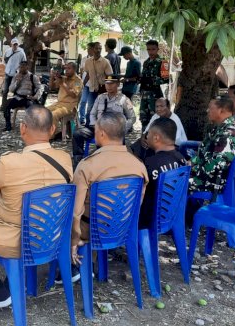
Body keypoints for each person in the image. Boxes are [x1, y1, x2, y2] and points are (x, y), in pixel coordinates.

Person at [0, 106, 72, 310]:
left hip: (14, 240)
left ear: (22, 128)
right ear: (53, 129)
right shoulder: (65, 159)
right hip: (52, 237)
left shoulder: (9, 162)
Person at [71, 113, 148, 259]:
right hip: (122, 228)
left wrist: (74, 239)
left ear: (101, 133)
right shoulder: (139, 166)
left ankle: (71, 267)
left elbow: (76, 212)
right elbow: (138, 204)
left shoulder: (87, 166)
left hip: (91, 230)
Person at [72, 75, 136, 169]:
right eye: (107, 83)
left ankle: (110, 166)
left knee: (109, 143)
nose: (109, 86)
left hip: (114, 133)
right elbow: (92, 114)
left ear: (118, 84)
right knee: (78, 134)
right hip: (98, 128)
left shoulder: (124, 100)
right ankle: (78, 162)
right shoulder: (100, 98)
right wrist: (95, 125)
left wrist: (121, 129)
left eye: (112, 83)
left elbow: (132, 118)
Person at [138, 118, 187, 229]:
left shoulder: (150, 163)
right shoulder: (182, 160)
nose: (146, 137)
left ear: (156, 137)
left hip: (150, 218)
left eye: (148, 133)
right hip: (172, 213)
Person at [189, 96, 235, 195]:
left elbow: (214, 168)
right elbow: (204, 154)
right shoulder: (219, 129)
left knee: (171, 183)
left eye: (210, 108)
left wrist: (190, 170)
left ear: (221, 111)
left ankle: (181, 209)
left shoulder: (227, 135)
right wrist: (190, 163)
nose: (207, 110)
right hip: (205, 176)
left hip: (211, 183)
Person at [3, 60, 43, 131]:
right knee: (6, 105)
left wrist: (35, 97)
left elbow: (40, 87)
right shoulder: (16, 76)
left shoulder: (32, 77)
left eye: (23, 67)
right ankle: (8, 125)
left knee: (31, 108)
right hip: (17, 97)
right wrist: (17, 82)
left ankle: (31, 127)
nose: (21, 69)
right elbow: (11, 89)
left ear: (27, 67)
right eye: (20, 67)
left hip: (27, 98)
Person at [81, 42, 114, 125]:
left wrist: (109, 87)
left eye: (100, 48)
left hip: (103, 89)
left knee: (102, 108)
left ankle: (102, 126)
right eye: (96, 48)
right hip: (92, 89)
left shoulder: (105, 61)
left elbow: (109, 75)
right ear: (93, 49)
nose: (98, 50)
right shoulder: (88, 61)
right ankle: (88, 126)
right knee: (90, 108)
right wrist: (83, 84)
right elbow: (88, 74)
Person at [139, 40, 169, 131]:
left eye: (153, 49)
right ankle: (144, 139)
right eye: (148, 49)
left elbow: (166, 79)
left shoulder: (163, 62)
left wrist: (153, 80)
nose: (151, 52)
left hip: (155, 95)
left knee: (156, 118)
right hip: (144, 95)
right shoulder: (146, 62)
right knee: (144, 118)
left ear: (157, 49)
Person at [46, 62, 83, 132]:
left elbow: (73, 94)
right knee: (43, 111)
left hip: (70, 106)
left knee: (53, 115)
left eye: (69, 68)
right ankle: (44, 132)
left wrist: (62, 83)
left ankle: (51, 136)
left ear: (74, 69)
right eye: (66, 68)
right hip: (59, 104)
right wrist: (52, 76)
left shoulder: (78, 80)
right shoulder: (64, 78)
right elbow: (52, 87)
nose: (66, 70)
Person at [1, 38, 27, 110]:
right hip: (8, 73)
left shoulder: (21, 52)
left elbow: (24, 62)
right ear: (11, 44)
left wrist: (19, 71)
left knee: (15, 90)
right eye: (14, 44)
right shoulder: (7, 51)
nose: (15, 46)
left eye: (16, 44)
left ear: (18, 45)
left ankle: (14, 106)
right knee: (5, 90)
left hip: (16, 74)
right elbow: (4, 60)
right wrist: (7, 67)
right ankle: (3, 106)